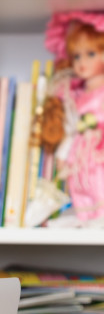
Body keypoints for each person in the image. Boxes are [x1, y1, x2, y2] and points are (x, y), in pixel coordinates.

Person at [42, 11, 104, 224]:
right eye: (76, 56)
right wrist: (63, 154)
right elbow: (72, 127)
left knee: (98, 180)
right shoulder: (76, 96)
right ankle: (86, 217)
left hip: (98, 148)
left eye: (90, 54)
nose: (81, 63)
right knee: (79, 182)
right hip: (81, 151)